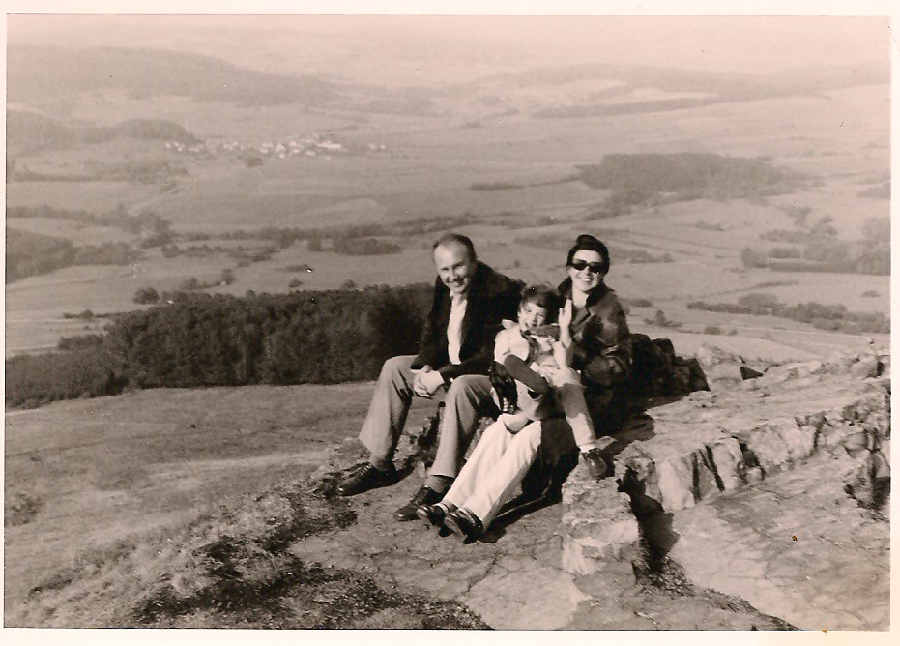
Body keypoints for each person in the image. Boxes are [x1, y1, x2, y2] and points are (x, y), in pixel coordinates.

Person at [417, 234, 632, 541]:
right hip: (545, 398)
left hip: (585, 404)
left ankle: (475, 514)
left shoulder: (608, 312)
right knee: (499, 429)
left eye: (595, 268)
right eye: (579, 264)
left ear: (604, 272)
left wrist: (576, 354)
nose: (586, 272)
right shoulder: (557, 298)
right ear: (569, 267)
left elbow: (619, 369)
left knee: (527, 438)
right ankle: (448, 504)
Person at [336, 232, 522, 522]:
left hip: (488, 381)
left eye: (458, 266)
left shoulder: (498, 292)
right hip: (453, 370)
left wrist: (442, 375)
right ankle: (380, 464)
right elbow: (432, 329)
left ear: (474, 262)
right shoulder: (444, 286)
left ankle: (438, 484)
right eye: (445, 269)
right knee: (395, 368)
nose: (452, 276)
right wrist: (424, 366)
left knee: (461, 386)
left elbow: (489, 354)